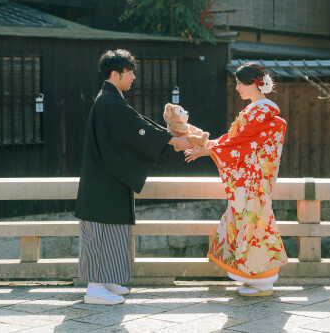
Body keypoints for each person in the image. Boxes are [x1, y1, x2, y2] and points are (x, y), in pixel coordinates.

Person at [74, 49, 192, 305]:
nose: (133, 77)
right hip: (102, 178)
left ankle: (105, 280)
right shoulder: (108, 101)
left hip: (108, 176)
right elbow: (135, 128)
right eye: (129, 72)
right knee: (99, 230)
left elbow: (136, 124)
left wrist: (170, 137)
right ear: (115, 74)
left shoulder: (110, 98)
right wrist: (172, 140)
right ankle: (94, 287)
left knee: (111, 229)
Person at [184, 62, 287, 296]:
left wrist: (209, 150)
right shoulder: (256, 110)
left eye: (240, 83)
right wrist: (207, 144)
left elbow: (243, 142)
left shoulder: (261, 111)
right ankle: (255, 279)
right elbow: (234, 139)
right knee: (249, 224)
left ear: (254, 83)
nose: (237, 87)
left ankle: (262, 280)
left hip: (252, 182)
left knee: (253, 225)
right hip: (251, 181)